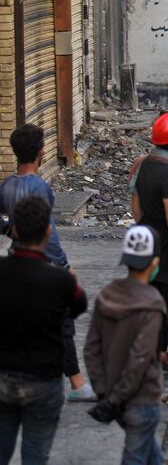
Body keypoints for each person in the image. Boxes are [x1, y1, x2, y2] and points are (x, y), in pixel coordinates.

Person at [0, 123, 94, 403]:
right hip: (43, 263)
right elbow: (47, 232)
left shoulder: (6, 186)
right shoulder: (40, 187)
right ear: (41, 152)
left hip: (16, 259)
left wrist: (10, 230)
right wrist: (64, 268)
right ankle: (76, 383)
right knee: (61, 322)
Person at [0, 196, 87, 464]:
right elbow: (78, 306)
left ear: (13, 231)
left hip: (3, 375)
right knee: (36, 452)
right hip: (43, 379)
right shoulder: (60, 280)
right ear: (48, 231)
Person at [84, 225, 167, 465]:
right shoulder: (152, 304)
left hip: (113, 397)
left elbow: (91, 349)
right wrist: (115, 398)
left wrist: (104, 392)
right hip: (141, 400)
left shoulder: (106, 295)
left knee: (150, 454)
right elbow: (140, 359)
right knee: (135, 457)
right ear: (154, 263)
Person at [130, 112, 168, 371]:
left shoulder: (142, 164)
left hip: (145, 241)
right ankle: (158, 354)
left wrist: (145, 227)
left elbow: (135, 206)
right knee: (166, 303)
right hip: (166, 248)